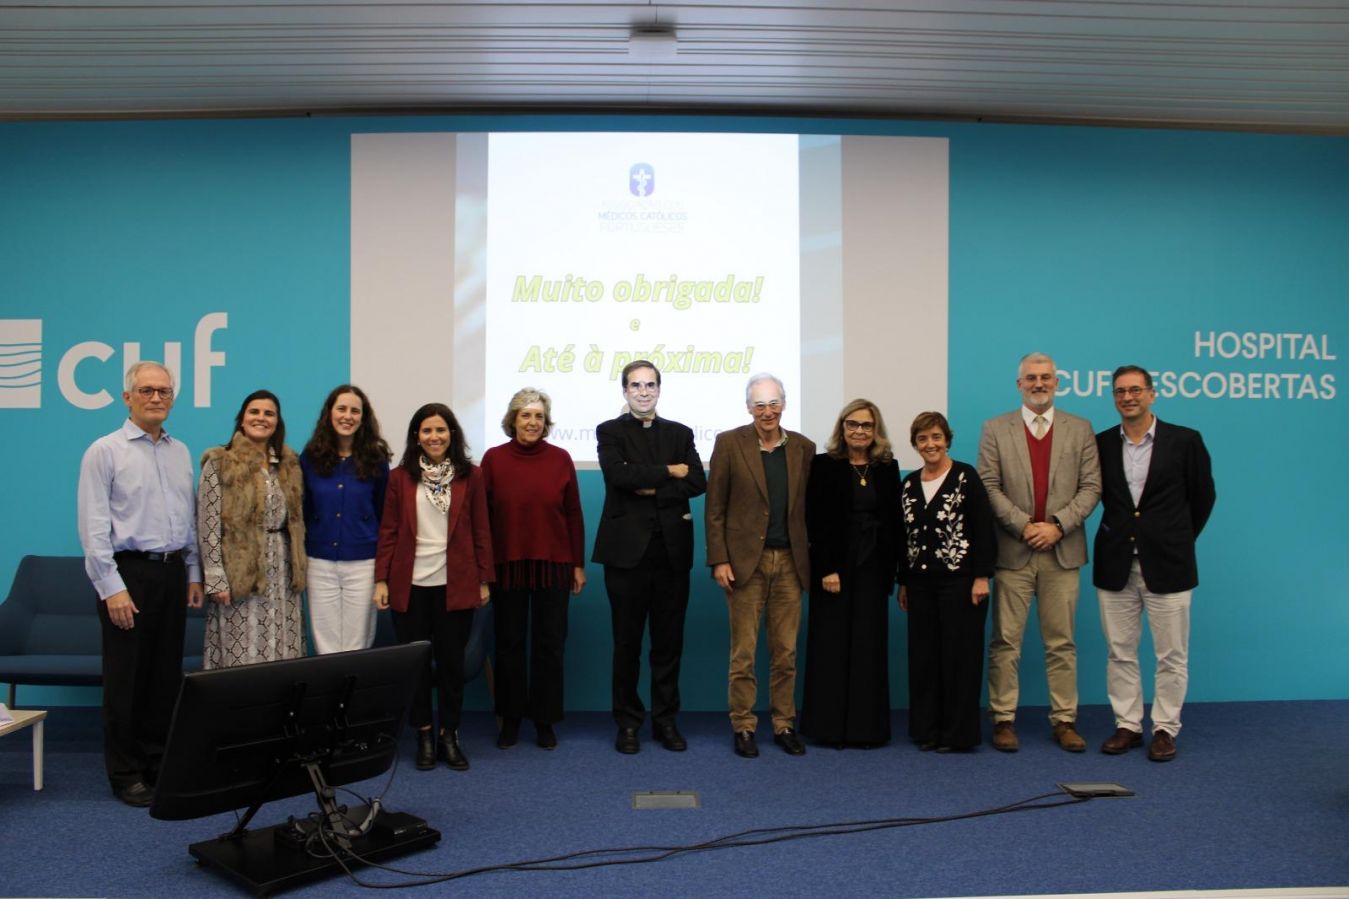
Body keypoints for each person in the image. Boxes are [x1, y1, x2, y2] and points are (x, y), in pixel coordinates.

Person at [77, 361, 205, 807]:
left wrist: (192, 572)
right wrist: (110, 587)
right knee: (126, 677)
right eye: (147, 390)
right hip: (127, 575)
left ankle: (157, 761)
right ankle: (126, 771)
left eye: (164, 391)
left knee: (164, 676)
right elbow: (93, 526)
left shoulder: (180, 451)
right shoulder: (105, 451)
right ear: (127, 397)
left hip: (171, 572)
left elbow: (188, 520)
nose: (156, 398)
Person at [977, 352, 1101, 752]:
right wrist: (1025, 526)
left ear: (1057, 382)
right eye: (1031, 378)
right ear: (1019, 385)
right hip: (1014, 552)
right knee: (1005, 642)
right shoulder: (995, 429)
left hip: (1062, 553)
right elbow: (989, 486)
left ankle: (1064, 720)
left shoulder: (1080, 429)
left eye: (1046, 377)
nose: (1038, 384)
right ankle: (1003, 719)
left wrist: (1058, 526)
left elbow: (1092, 487)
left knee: (1061, 642)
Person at [1094, 365, 1215, 762]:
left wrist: (1173, 538)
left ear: (1151, 393)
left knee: (1171, 655)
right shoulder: (1101, 444)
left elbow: (1203, 498)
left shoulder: (1185, 441)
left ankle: (1165, 728)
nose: (1127, 397)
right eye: (1120, 392)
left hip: (1169, 563)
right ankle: (1127, 725)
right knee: (1120, 651)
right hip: (1116, 563)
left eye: (1135, 390)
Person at [593, 360, 706, 754]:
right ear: (624, 391)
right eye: (636, 386)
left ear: (660, 389)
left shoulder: (680, 433)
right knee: (627, 645)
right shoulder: (609, 431)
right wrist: (668, 472)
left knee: (668, 644)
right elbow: (618, 478)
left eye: (650, 385)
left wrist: (652, 483)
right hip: (625, 557)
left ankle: (665, 721)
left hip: (672, 555)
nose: (644, 392)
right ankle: (627, 723)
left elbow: (696, 480)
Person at [374, 403, 494, 771]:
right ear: (416, 437)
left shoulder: (470, 476)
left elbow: (480, 529)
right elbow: (390, 530)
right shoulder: (400, 478)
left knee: (453, 665)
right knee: (418, 666)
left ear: (452, 435)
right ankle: (424, 733)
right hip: (408, 586)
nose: (434, 437)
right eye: (427, 431)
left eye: (441, 430)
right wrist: (381, 578)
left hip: (455, 584)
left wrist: (484, 579)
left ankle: (449, 735)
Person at [705, 373, 815, 758]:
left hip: (790, 563)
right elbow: (715, 507)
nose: (767, 411)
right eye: (759, 404)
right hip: (743, 565)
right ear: (748, 407)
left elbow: (809, 511)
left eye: (773, 403)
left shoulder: (804, 447)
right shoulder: (729, 443)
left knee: (785, 652)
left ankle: (784, 724)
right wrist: (719, 558)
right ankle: (744, 726)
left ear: (783, 405)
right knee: (745, 653)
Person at [480, 388, 586, 751]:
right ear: (513, 420)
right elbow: (482, 517)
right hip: (506, 565)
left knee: (550, 645)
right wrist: (483, 568)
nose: (532, 422)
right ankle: (509, 720)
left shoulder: (561, 458)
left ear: (546, 422)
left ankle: (544, 720)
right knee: (508, 645)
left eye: (538, 416)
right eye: (525, 415)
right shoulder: (493, 459)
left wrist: (577, 564)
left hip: (554, 565)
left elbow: (573, 513)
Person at [801, 398, 901, 748]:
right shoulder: (824, 465)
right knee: (831, 645)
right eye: (853, 424)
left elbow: (894, 524)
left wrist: (895, 573)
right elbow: (816, 520)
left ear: (876, 431)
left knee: (868, 646)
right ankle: (828, 728)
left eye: (867, 425)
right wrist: (827, 567)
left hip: (873, 567)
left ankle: (866, 729)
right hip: (835, 570)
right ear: (842, 428)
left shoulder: (888, 467)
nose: (860, 431)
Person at [898, 411, 997, 752]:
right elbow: (904, 538)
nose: (930, 444)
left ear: (947, 440)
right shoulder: (909, 484)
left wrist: (982, 576)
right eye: (923, 438)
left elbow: (984, 529)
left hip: (961, 583)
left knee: (959, 659)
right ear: (915, 444)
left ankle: (958, 735)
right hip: (920, 585)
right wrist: (904, 582)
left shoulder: (966, 477)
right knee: (924, 659)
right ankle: (927, 731)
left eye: (936, 437)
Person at [198, 389, 307, 669]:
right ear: (242, 420)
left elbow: (295, 520)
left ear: (277, 422)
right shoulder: (220, 462)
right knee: (241, 650)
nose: (261, 418)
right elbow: (208, 524)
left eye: (269, 413)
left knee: (284, 647)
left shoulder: (289, 464)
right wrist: (215, 577)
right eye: (254, 412)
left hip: (282, 571)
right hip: (239, 572)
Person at [300, 384, 391, 654]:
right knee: (325, 644)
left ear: (363, 418)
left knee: (357, 645)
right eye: (341, 409)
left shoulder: (376, 460)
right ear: (329, 413)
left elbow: (384, 514)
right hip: (319, 564)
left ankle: (354, 697)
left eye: (355, 411)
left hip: (363, 565)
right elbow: (303, 512)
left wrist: (382, 575)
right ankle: (331, 697)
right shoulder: (310, 458)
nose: (347, 416)